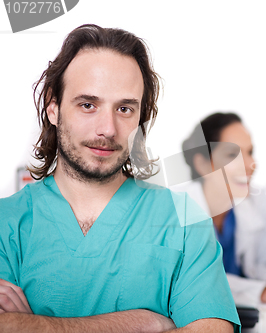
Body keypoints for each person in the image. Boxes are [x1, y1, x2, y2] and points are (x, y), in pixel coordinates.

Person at [0, 24, 239, 333]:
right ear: (53, 107)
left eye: (125, 109)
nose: (108, 129)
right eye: (88, 105)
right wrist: (142, 323)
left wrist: (31, 325)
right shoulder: (6, 222)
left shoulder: (183, 221)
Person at [180, 112, 266, 306]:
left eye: (249, 152)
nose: (249, 164)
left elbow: (258, 267)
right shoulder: (177, 211)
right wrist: (263, 291)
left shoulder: (257, 201)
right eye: (231, 155)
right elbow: (196, 281)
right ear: (202, 164)